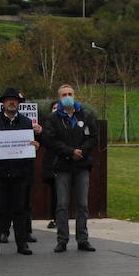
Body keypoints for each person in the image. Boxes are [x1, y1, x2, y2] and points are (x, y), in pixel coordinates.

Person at [0, 87, 40, 255]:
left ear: (19, 103)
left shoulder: (26, 122)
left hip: (20, 173)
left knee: (20, 209)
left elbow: (31, 144)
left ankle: (22, 243)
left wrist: (35, 145)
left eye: (15, 100)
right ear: (3, 102)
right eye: (9, 99)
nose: (12, 102)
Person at [41, 84, 97, 252]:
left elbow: (93, 137)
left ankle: (82, 239)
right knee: (62, 204)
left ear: (74, 95)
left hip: (82, 165)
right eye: (64, 94)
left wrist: (81, 152)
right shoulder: (53, 119)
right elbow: (51, 140)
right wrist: (69, 152)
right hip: (63, 165)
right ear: (59, 97)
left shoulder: (86, 115)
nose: (67, 96)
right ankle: (62, 240)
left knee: (82, 204)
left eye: (70, 93)